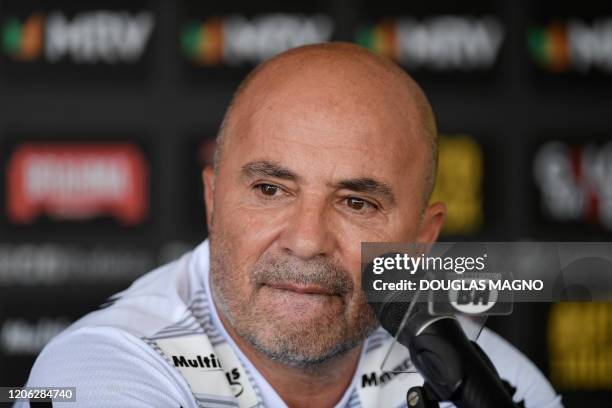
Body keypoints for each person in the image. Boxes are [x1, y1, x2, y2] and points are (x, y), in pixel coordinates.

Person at [20, 42, 562, 408]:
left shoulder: (493, 381)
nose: (306, 241)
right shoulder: (94, 370)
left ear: (421, 239)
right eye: (271, 190)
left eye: (356, 203)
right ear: (212, 199)